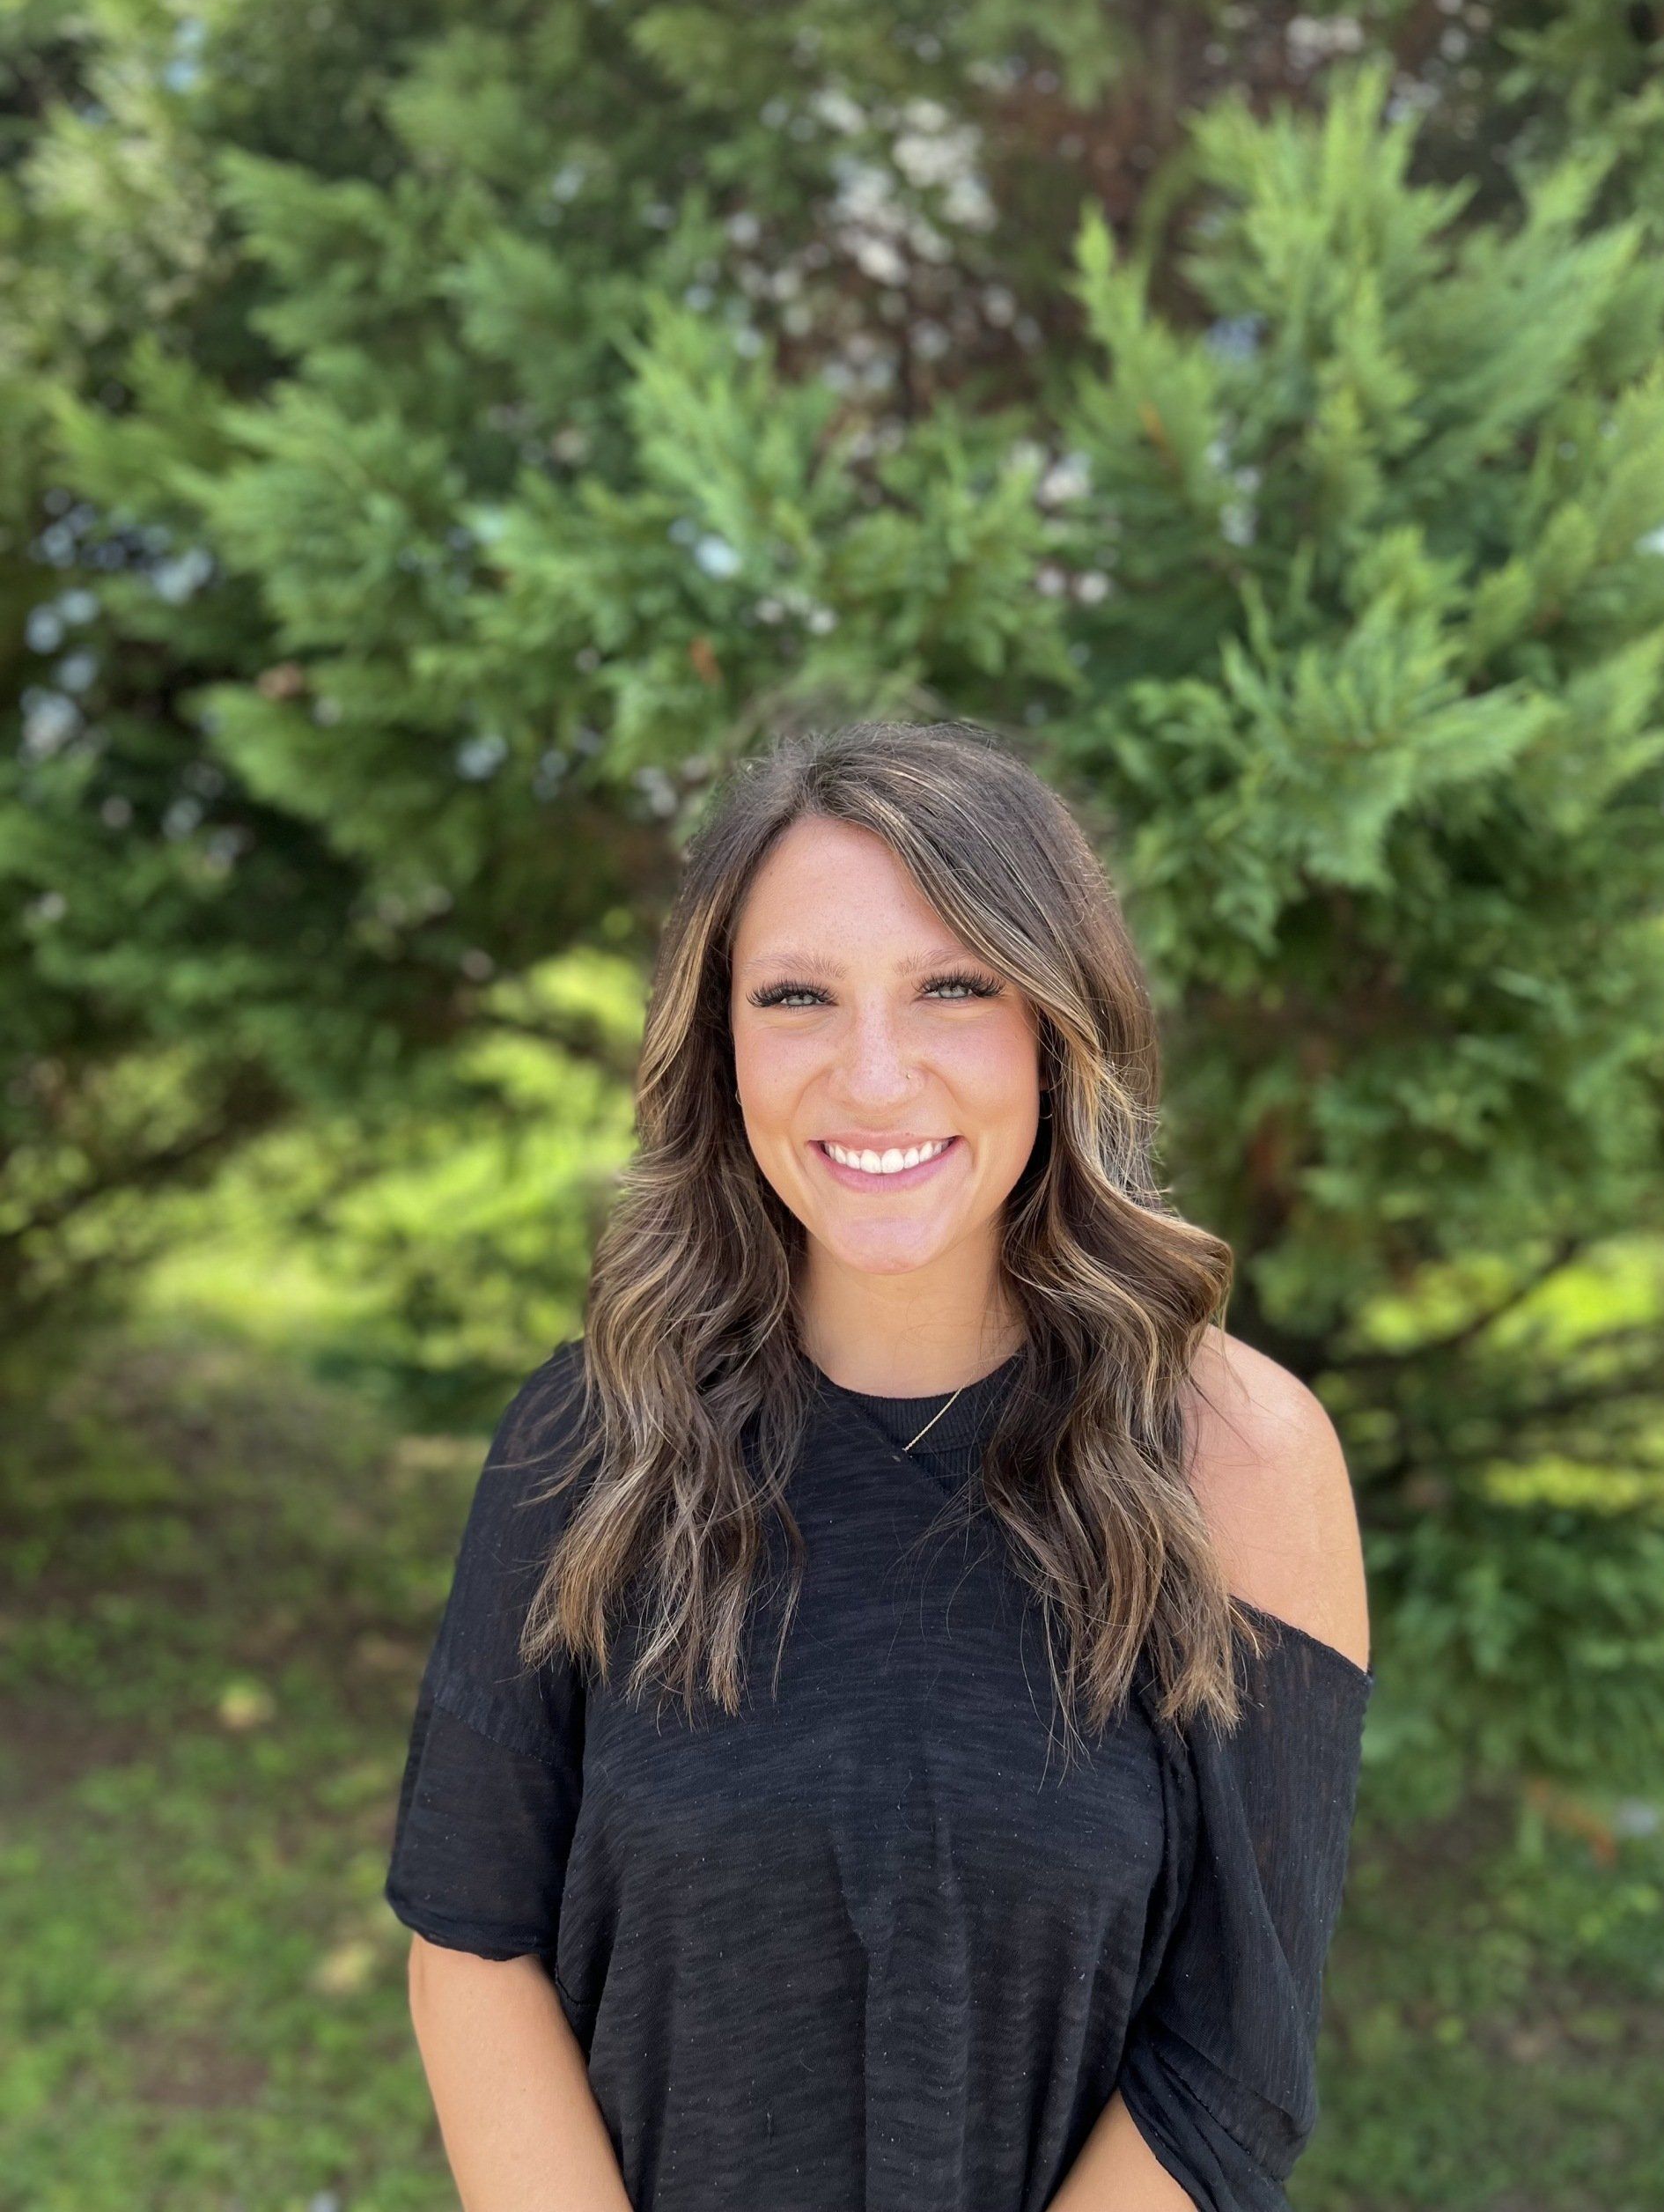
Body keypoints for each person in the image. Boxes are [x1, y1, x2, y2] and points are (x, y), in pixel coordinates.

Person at [384, 718, 1374, 2212]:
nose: (874, 1075)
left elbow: (1231, 2071)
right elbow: (473, 1941)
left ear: (1058, 1026)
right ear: (720, 1044)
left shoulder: (1236, 1458)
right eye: (798, 997)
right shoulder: (591, 1438)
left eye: (953, 988)